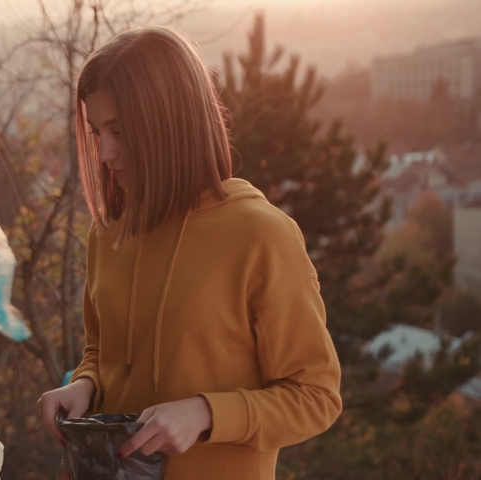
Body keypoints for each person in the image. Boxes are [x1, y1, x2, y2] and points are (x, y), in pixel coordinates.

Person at [37, 25, 342, 479]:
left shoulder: (261, 236)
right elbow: (103, 350)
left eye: (118, 131)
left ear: (168, 123)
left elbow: (315, 397)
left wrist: (206, 413)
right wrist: (85, 384)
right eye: (98, 132)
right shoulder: (108, 236)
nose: (104, 153)